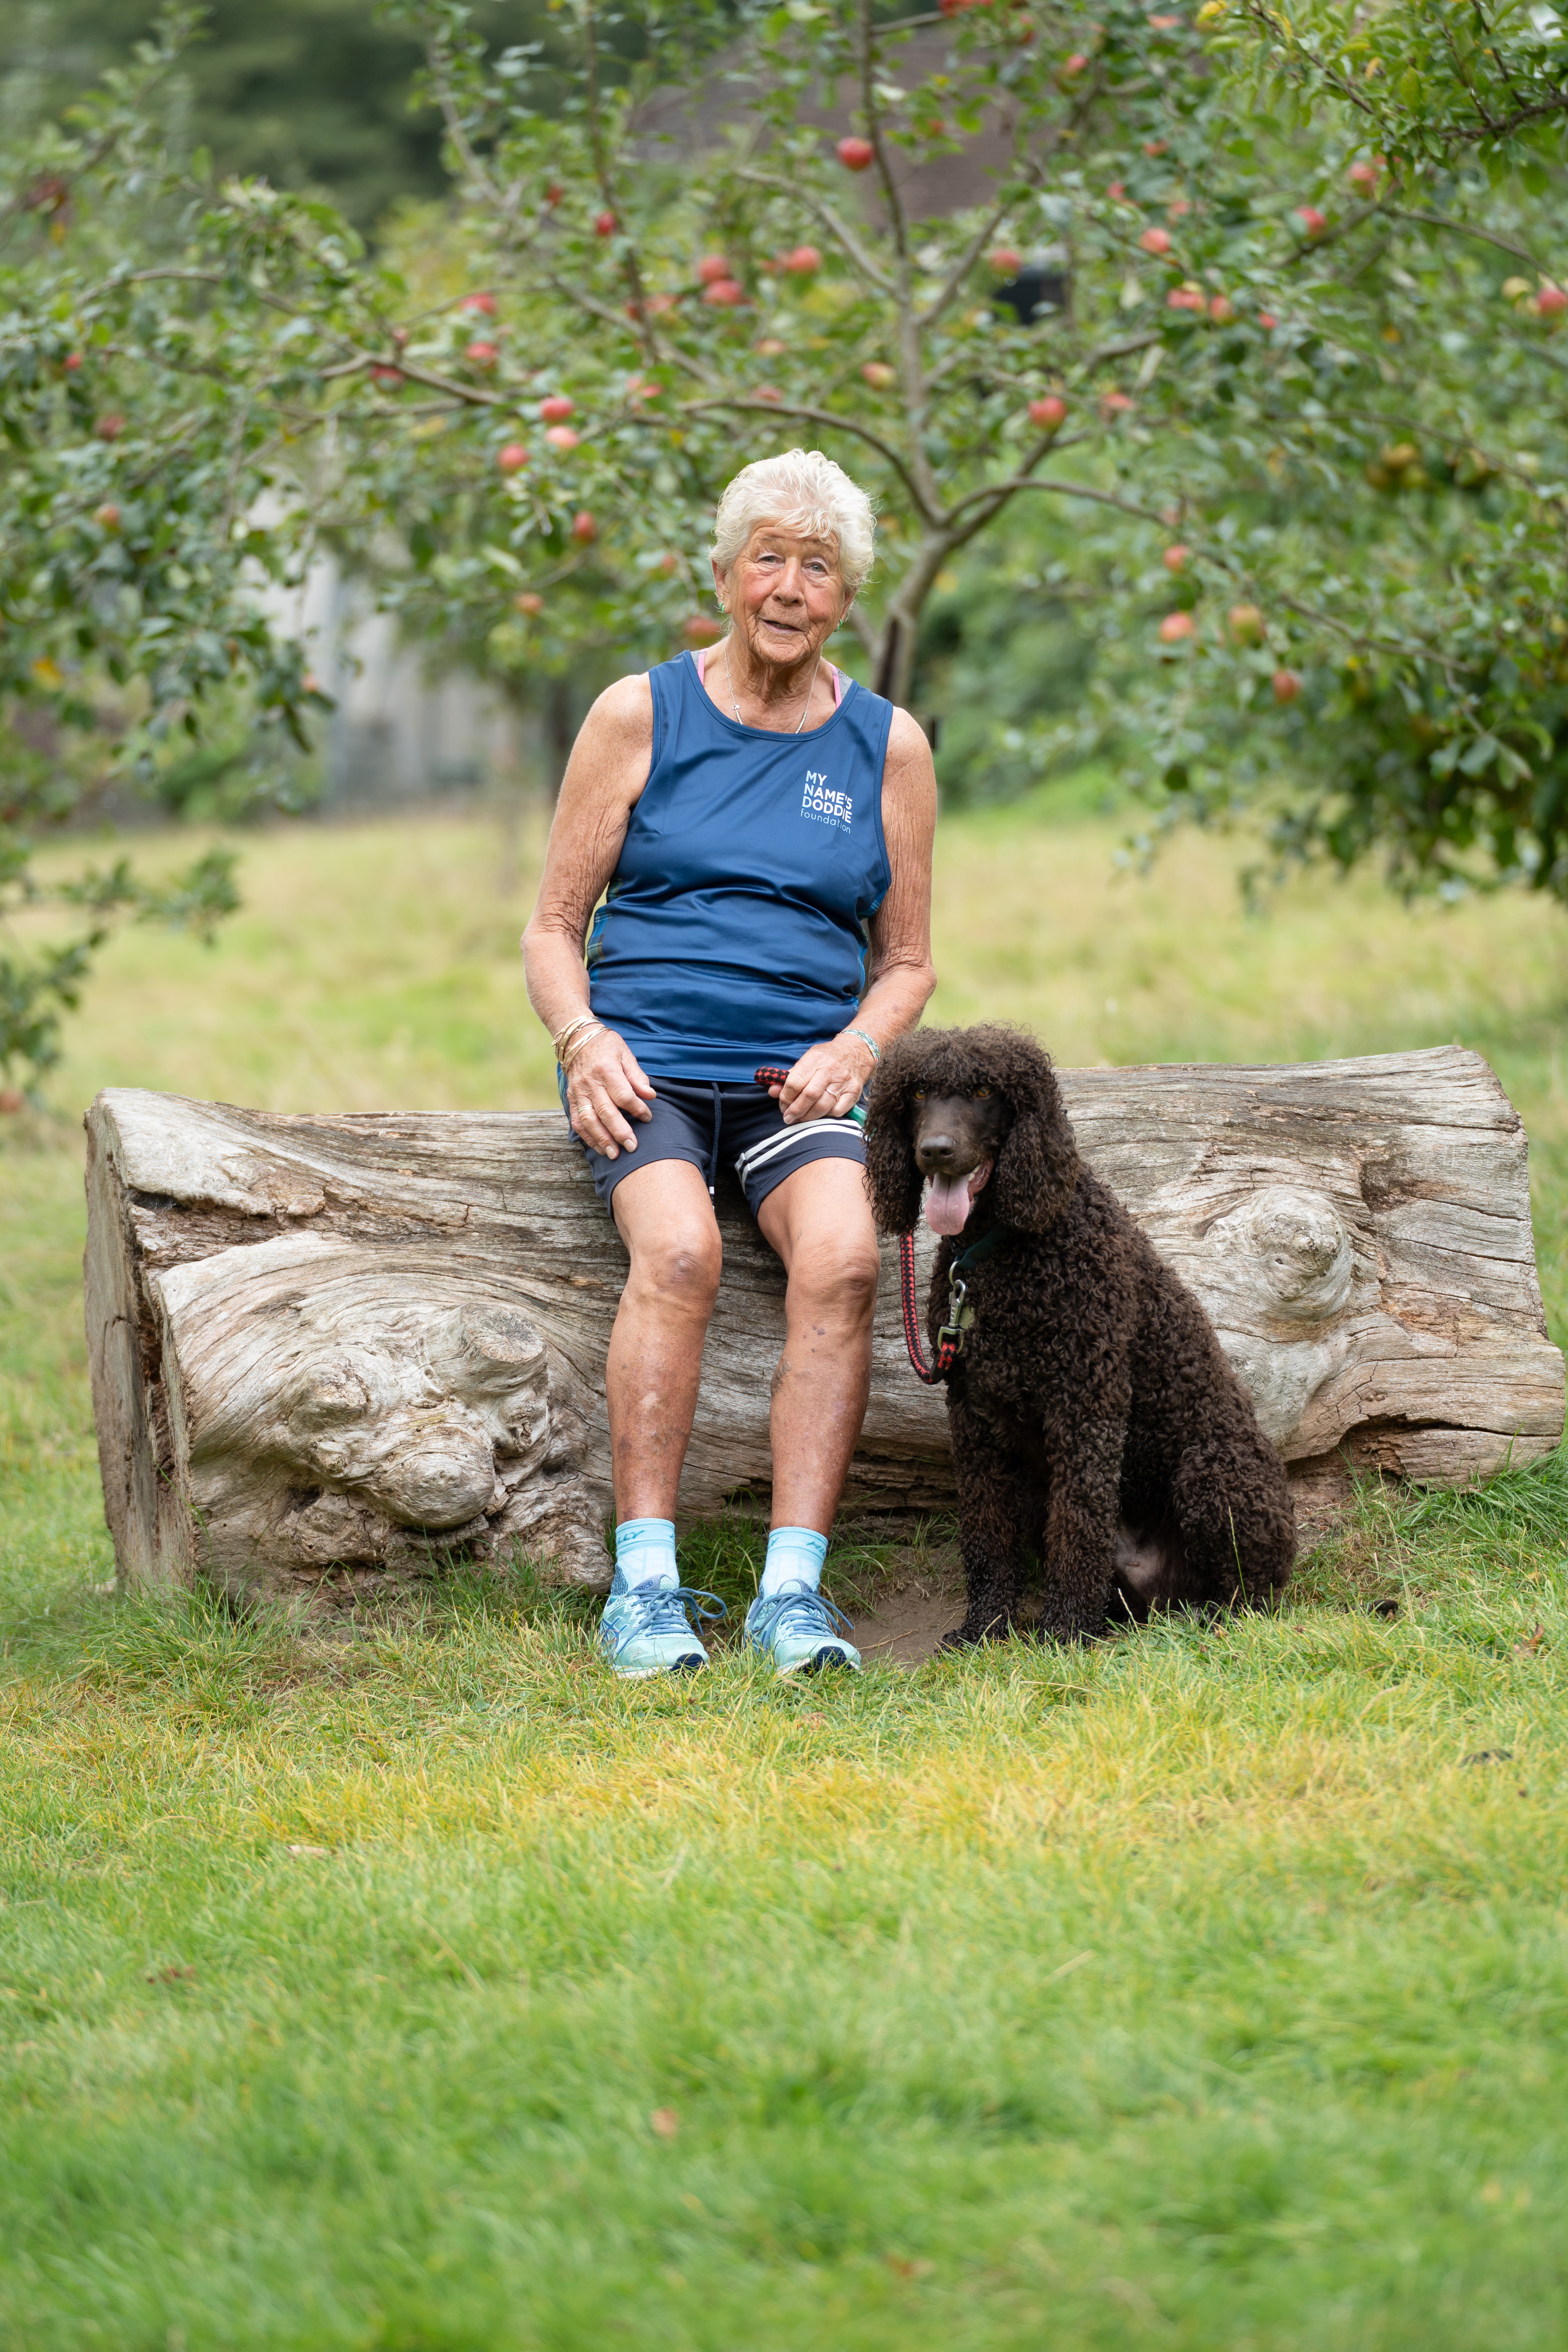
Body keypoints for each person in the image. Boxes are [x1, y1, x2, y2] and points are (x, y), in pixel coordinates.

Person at [522, 448, 937, 1676]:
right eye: (770, 557)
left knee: (850, 1256)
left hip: (790, 1081)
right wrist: (581, 1038)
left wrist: (858, 1047)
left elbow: (908, 961)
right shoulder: (639, 712)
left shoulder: (885, 746)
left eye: (819, 567)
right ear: (724, 571)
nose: (791, 588)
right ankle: (643, 1589)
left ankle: (790, 1598)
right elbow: (552, 927)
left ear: (848, 597)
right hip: (640, 1066)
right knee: (682, 1250)